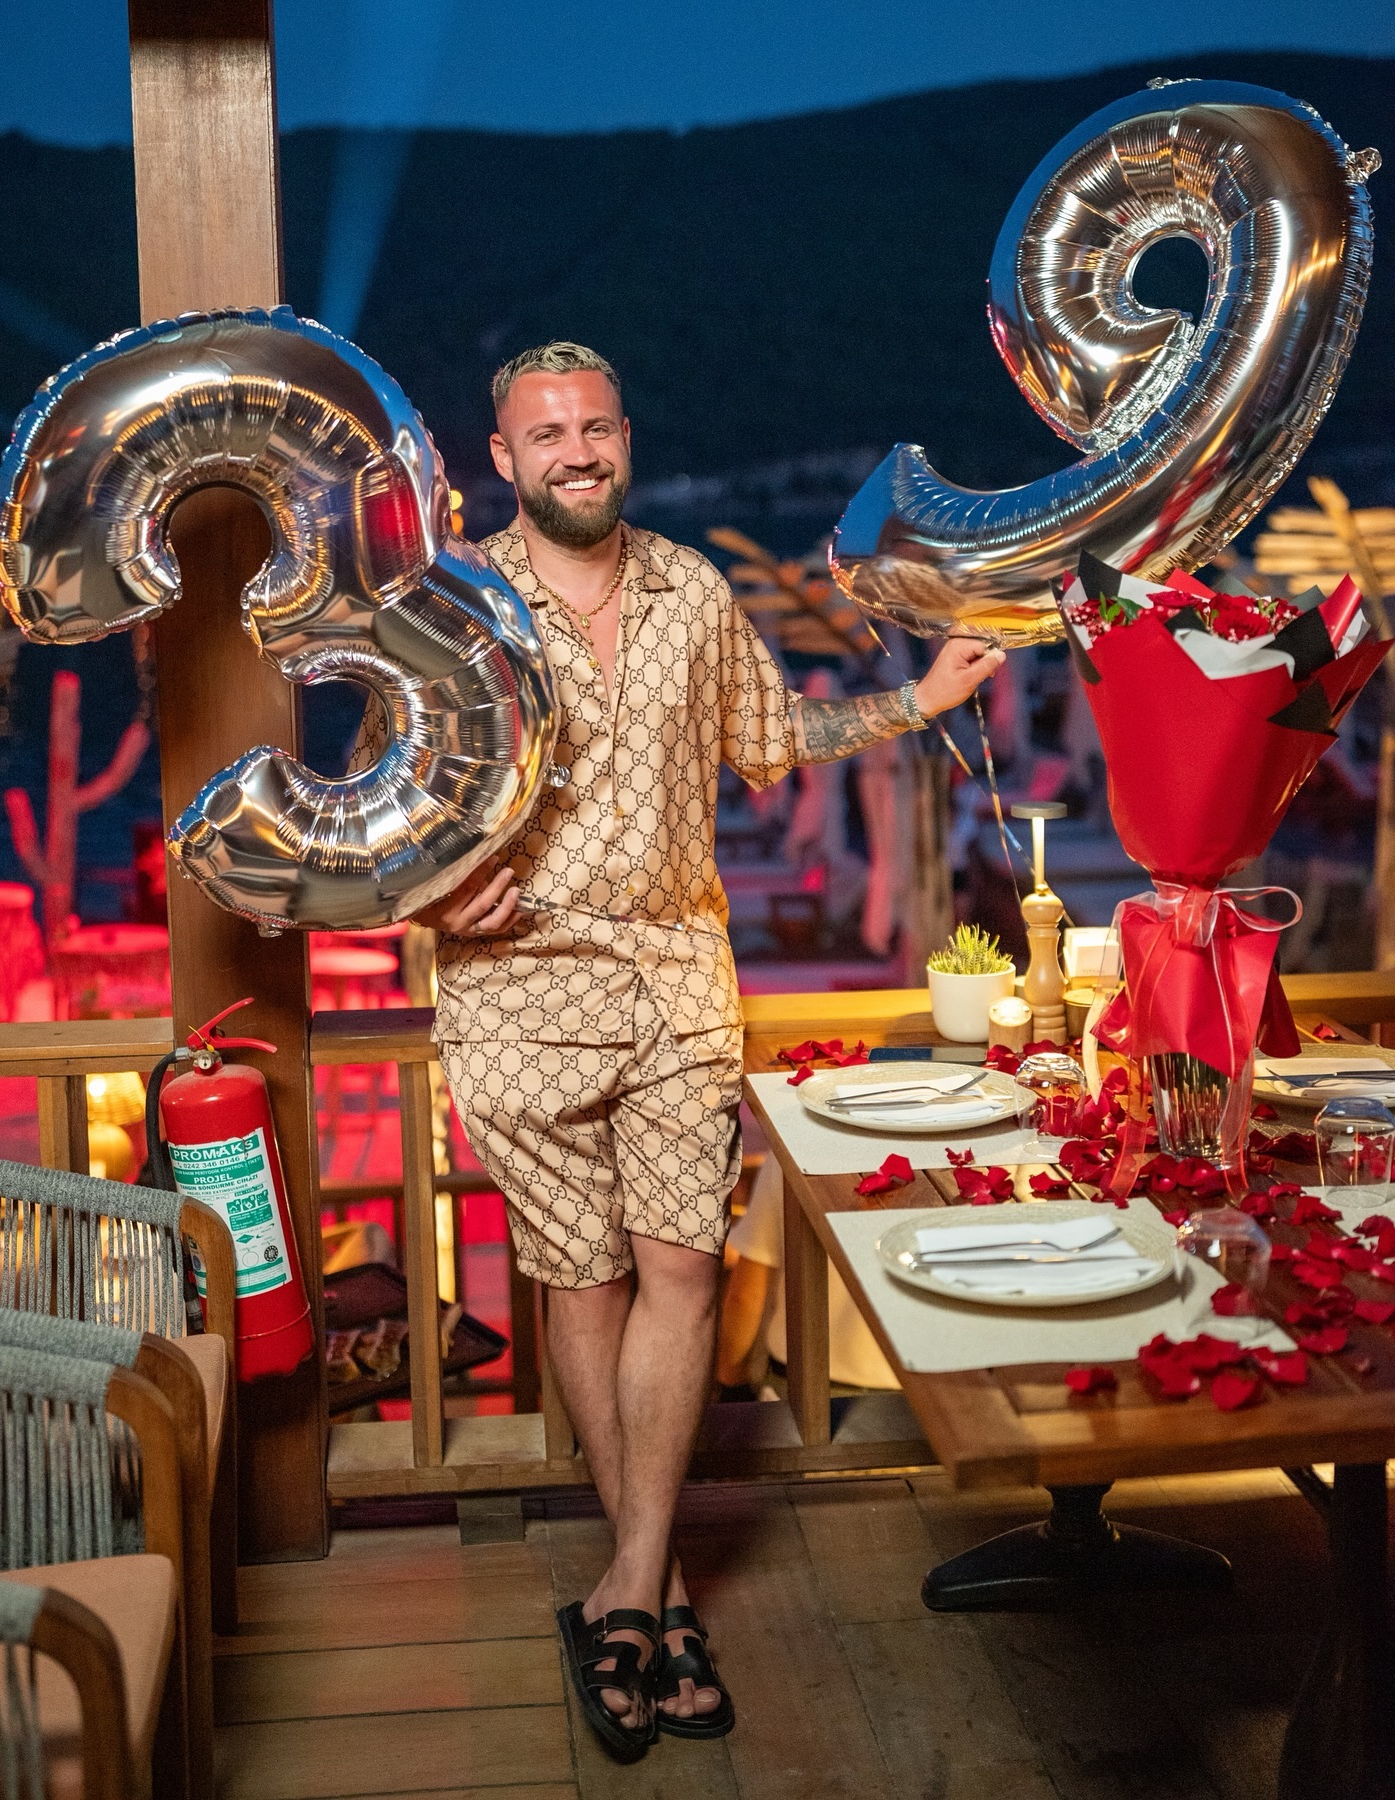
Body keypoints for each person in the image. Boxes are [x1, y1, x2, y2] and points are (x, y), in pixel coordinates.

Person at [389, 341, 1003, 1759]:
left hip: (679, 982)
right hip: (516, 992)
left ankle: (629, 1586)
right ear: (504, 457)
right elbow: (393, 807)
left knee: (683, 1269)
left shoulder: (695, 589)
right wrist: (429, 897)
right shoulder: (452, 606)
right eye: (548, 435)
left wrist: (919, 702)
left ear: (626, 436)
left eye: (596, 427)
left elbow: (770, 737)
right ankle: (655, 1596)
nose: (578, 452)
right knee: (586, 1281)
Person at [719, 1154, 901, 1395]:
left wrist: (730, 1385)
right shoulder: (946, 1170)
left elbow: (745, 1296)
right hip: (916, 1394)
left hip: (799, 1385)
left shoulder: (793, 1154)